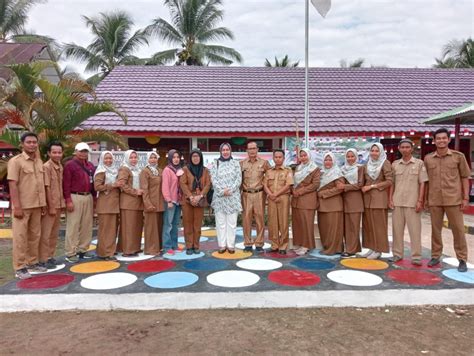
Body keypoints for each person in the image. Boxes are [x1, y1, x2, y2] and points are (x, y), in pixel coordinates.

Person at [424, 128, 470, 272]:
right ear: (434, 140)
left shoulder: (458, 157)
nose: (441, 140)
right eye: (438, 138)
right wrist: (425, 199)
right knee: (435, 230)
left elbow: (465, 177)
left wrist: (465, 197)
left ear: (448, 140)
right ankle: (435, 255)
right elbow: (425, 181)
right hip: (434, 199)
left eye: (444, 138)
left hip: (453, 199)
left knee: (458, 230)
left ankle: (462, 259)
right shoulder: (428, 158)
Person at [8, 132, 47, 279]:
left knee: (34, 236)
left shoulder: (38, 161)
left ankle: (32, 262)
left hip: (36, 206)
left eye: (34, 142)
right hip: (22, 207)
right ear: (22, 144)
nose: (32, 144)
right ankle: (20, 267)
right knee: (20, 237)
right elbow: (13, 184)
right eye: (29, 142)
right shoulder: (16, 161)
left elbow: (40, 184)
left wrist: (43, 204)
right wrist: (17, 206)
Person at [388, 139, 428, 266]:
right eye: (402, 147)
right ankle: (397, 255)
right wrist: (390, 199)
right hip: (397, 201)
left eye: (407, 147)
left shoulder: (419, 163)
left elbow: (423, 183)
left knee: (415, 231)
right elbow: (391, 184)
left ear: (412, 148)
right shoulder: (394, 164)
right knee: (396, 231)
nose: (405, 149)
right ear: (399, 149)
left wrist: (420, 200)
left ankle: (416, 257)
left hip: (413, 202)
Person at [63, 142, 95, 263]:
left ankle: (83, 249)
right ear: (76, 151)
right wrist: (68, 200)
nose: (83, 153)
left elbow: (92, 184)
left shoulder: (90, 166)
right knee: (73, 224)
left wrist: (94, 199)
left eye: (85, 151)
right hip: (75, 196)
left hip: (88, 196)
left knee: (87, 225)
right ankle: (70, 252)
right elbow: (66, 184)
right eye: (81, 151)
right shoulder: (70, 165)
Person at [361, 143, 393, 260]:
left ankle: (379, 249)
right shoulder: (367, 164)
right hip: (367, 199)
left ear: (381, 152)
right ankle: (372, 247)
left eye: (376, 151)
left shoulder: (385, 163)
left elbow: (389, 181)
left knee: (379, 225)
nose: (374, 153)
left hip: (379, 198)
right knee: (369, 225)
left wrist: (373, 186)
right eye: (372, 150)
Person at [210, 143, 242, 253]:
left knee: (232, 223)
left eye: (227, 149)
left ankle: (231, 245)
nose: (225, 152)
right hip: (220, 198)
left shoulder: (236, 163)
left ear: (230, 151)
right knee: (220, 223)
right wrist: (222, 191)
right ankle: (222, 245)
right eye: (223, 150)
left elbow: (238, 179)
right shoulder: (215, 163)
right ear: (220, 151)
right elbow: (213, 179)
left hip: (232, 197)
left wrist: (231, 190)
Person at [240, 141, 271, 252]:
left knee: (260, 219)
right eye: (250, 149)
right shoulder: (242, 163)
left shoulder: (264, 163)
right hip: (246, 194)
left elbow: (269, 178)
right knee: (246, 219)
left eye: (254, 148)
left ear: (257, 149)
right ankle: (247, 243)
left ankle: (259, 243)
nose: (252, 151)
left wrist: (269, 194)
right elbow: (239, 180)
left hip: (259, 194)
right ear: (247, 150)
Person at [39, 141, 65, 269]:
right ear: (49, 153)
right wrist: (51, 206)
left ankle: (50, 256)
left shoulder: (60, 166)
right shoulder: (46, 167)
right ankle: (43, 259)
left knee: (54, 233)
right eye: (54, 152)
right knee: (46, 233)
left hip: (59, 205)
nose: (57, 154)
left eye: (59, 152)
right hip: (51, 206)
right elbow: (47, 187)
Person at [180, 148, 211, 255]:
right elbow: (183, 184)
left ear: (200, 157)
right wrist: (190, 197)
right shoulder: (185, 169)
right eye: (193, 156)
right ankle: (189, 246)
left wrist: (200, 196)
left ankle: (196, 246)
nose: (195, 158)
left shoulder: (205, 170)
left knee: (197, 225)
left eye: (197, 156)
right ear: (190, 158)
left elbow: (208, 184)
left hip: (200, 200)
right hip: (187, 200)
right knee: (187, 224)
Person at [263, 149, 293, 254]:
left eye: (280, 157)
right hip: (271, 199)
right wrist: (270, 194)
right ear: (273, 158)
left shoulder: (288, 170)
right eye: (276, 157)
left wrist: (275, 194)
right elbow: (265, 184)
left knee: (283, 222)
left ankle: (283, 246)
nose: (278, 159)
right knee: (272, 222)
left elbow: (288, 185)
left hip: (283, 198)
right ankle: (274, 244)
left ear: (283, 158)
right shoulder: (269, 171)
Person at [291, 148, 320, 256]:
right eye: (301, 155)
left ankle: (306, 245)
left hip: (307, 199)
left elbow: (315, 184)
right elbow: (293, 182)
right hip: (296, 199)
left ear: (309, 155)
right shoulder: (298, 168)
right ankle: (298, 243)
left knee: (306, 223)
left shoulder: (314, 169)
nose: (303, 157)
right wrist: (293, 190)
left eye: (305, 155)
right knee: (297, 223)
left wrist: (301, 191)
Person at [94, 151, 122, 260]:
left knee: (112, 229)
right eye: (106, 158)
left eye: (110, 158)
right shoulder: (101, 171)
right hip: (105, 204)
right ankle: (104, 253)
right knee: (106, 230)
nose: (108, 160)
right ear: (102, 159)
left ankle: (110, 250)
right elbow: (97, 187)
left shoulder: (115, 171)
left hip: (114, 204)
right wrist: (112, 185)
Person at [117, 150, 144, 257]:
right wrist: (135, 191)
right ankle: (127, 250)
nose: (134, 159)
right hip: (128, 202)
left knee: (137, 226)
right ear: (127, 158)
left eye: (135, 157)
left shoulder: (137, 169)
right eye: (131, 157)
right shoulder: (124, 169)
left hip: (137, 201)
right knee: (129, 227)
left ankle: (135, 247)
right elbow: (122, 184)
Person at [338, 148, 364, 258]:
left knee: (354, 226)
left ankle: (351, 250)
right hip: (344, 200)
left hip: (355, 200)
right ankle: (353, 247)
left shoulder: (360, 168)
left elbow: (360, 184)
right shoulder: (342, 169)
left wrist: (345, 187)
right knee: (346, 226)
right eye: (348, 156)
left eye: (352, 156)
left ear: (356, 157)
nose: (350, 159)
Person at [317, 152, 345, 255]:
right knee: (324, 228)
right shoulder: (321, 173)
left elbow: (339, 189)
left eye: (330, 160)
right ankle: (327, 247)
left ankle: (333, 249)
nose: (327, 162)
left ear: (333, 161)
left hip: (333, 205)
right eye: (326, 160)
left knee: (333, 229)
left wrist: (324, 193)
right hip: (322, 205)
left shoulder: (337, 173)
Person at [140, 151, 164, 256]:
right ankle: (151, 249)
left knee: (158, 226)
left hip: (160, 203)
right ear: (147, 159)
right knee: (150, 227)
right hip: (150, 203)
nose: (153, 160)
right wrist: (147, 204)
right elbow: (144, 189)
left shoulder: (160, 170)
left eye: (155, 158)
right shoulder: (145, 171)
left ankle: (158, 247)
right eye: (151, 158)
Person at [162, 149, 184, 255]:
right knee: (168, 224)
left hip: (178, 201)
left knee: (175, 224)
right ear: (170, 158)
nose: (176, 159)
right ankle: (167, 246)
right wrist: (168, 200)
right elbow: (165, 186)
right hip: (170, 201)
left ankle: (174, 245)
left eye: (177, 157)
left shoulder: (180, 170)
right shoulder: (167, 170)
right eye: (174, 157)